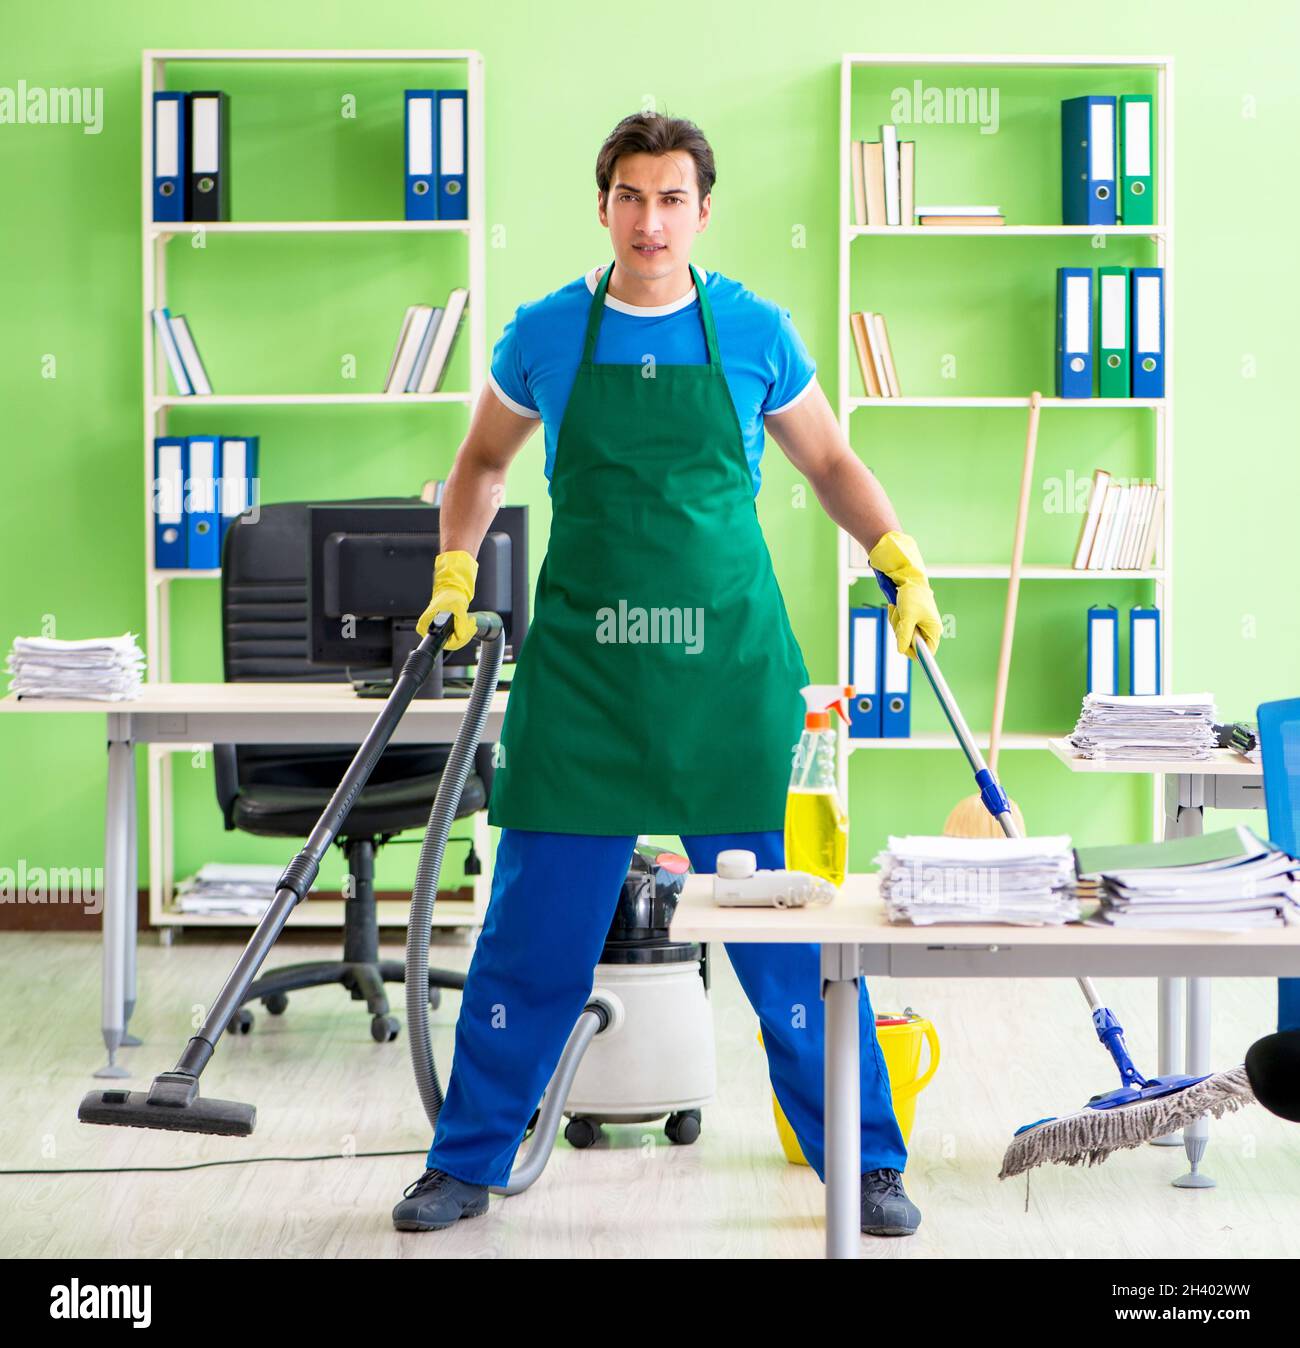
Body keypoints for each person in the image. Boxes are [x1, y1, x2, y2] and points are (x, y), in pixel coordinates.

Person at [392, 111, 943, 1240]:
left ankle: (864, 1160)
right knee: (532, 936)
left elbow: (830, 460)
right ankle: (467, 1160)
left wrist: (894, 555)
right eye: (631, 196)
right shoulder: (547, 333)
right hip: (586, 682)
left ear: (703, 210)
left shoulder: (752, 330)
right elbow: (482, 463)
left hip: (728, 683)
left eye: (672, 198)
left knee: (792, 940)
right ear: (603, 206)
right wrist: (453, 563)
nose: (651, 219)